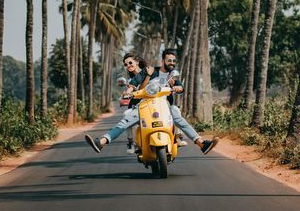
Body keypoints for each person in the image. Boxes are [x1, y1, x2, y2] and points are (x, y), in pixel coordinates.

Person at [85, 50, 219, 155]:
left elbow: (178, 85)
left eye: (130, 63)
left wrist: (176, 87)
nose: (128, 66)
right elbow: (133, 85)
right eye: (126, 64)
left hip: (163, 104)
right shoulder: (145, 73)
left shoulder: (165, 73)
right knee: (125, 120)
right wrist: (129, 90)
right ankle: (102, 141)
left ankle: (201, 143)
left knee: (177, 115)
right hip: (143, 106)